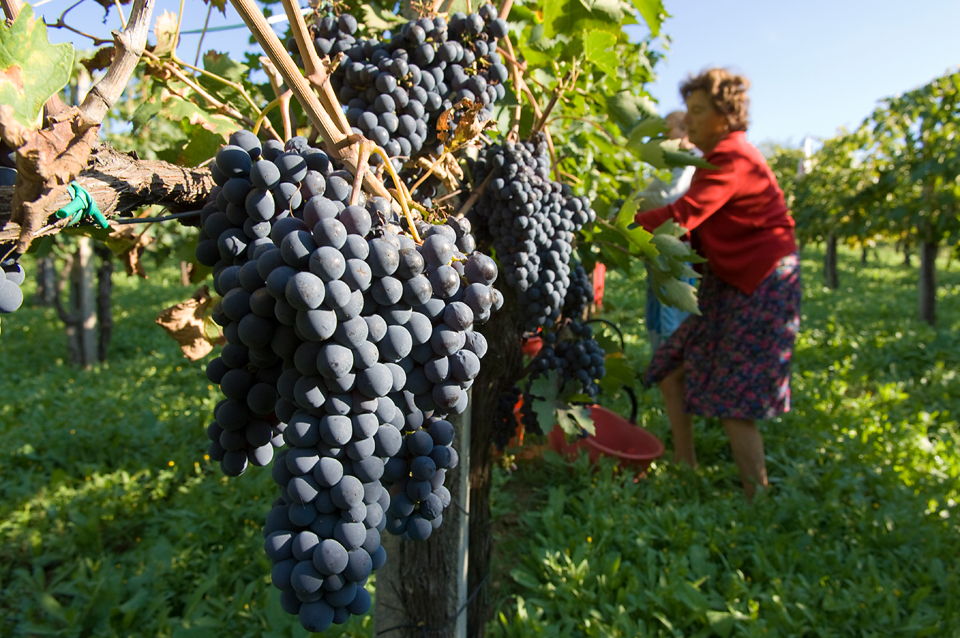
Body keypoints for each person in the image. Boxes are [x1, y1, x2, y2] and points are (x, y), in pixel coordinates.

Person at [633, 68, 801, 500]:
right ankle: (685, 464)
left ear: (726, 115)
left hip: (761, 281)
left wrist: (622, 229)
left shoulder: (733, 156)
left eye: (699, 111)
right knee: (671, 367)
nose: (687, 120)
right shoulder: (715, 157)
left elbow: (685, 215)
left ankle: (756, 497)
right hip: (728, 281)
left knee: (736, 393)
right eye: (687, 110)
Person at [637, 111, 699, 350]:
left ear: (684, 132)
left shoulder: (689, 159)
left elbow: (667, 198)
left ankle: (670, 362)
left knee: (670, 310)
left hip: (674, 247)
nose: (661, 136)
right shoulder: (671, 162)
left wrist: (634, 204)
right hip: (660, 244)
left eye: (667, 130)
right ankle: (660, 361)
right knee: (657, 304)